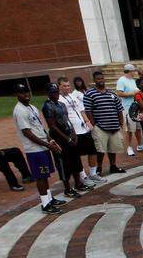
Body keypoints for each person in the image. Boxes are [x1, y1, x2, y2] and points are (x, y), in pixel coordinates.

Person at [12, 83, 65, 214]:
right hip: (34, 150)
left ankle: (49, 199)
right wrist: (47, 145)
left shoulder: (32, 107)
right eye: (22, 93)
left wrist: (50, 140)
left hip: (42, 147)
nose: (26, 95)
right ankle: (45, 204)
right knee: (40, 177)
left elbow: (39, 127)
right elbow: (27, 133)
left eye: (27, 92)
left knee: (45, 175)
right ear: (16, 95)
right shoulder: (20, 111)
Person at [42, 83, 88, 199]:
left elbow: (67, 120)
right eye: (53, 92)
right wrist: (66, 138)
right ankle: (67, 189)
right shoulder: (47, 106)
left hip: (69, 135)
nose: (56, 94)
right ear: (48, 94)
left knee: (75, 161)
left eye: (57, 92)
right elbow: (52, 126)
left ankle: (78, 183)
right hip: (59, 139)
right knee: (64, 164)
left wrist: (73, 133)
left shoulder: (62, 104)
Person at [59, 77, 102, 184]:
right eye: (64, 86)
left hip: (84, 129)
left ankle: (93, 173)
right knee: (76, 155)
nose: (67, 88)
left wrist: (88, 123)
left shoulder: (73, 97)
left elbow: (82, 111)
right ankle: (83, 176)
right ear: (59, 86)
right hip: (74, 132)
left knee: (92, 151)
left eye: (68, 85)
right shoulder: (59, 100)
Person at [83, 70, 127, 174]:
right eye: (98, 79)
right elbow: (88, 110)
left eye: (102, 78)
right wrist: (93, 125)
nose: (101, 81)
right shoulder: (90, 94)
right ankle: (99, 168)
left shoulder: (112, 93)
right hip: (100, 126)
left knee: (113, 148)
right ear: (94, 80)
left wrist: (121, 123)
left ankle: (113, 166)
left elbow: (119, 109)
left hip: (114, 126)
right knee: (100, 150)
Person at [114, 64, 141, 156]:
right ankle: (129, 147)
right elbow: (119, 93)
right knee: (129, 129)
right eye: (134, 71)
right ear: (130, 71)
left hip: (135, 107)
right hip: (126, 107)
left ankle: (140, 145)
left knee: (138, 127)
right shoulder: (121, 80)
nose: (135, 72)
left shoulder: (133, 81)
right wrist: (132, 93)